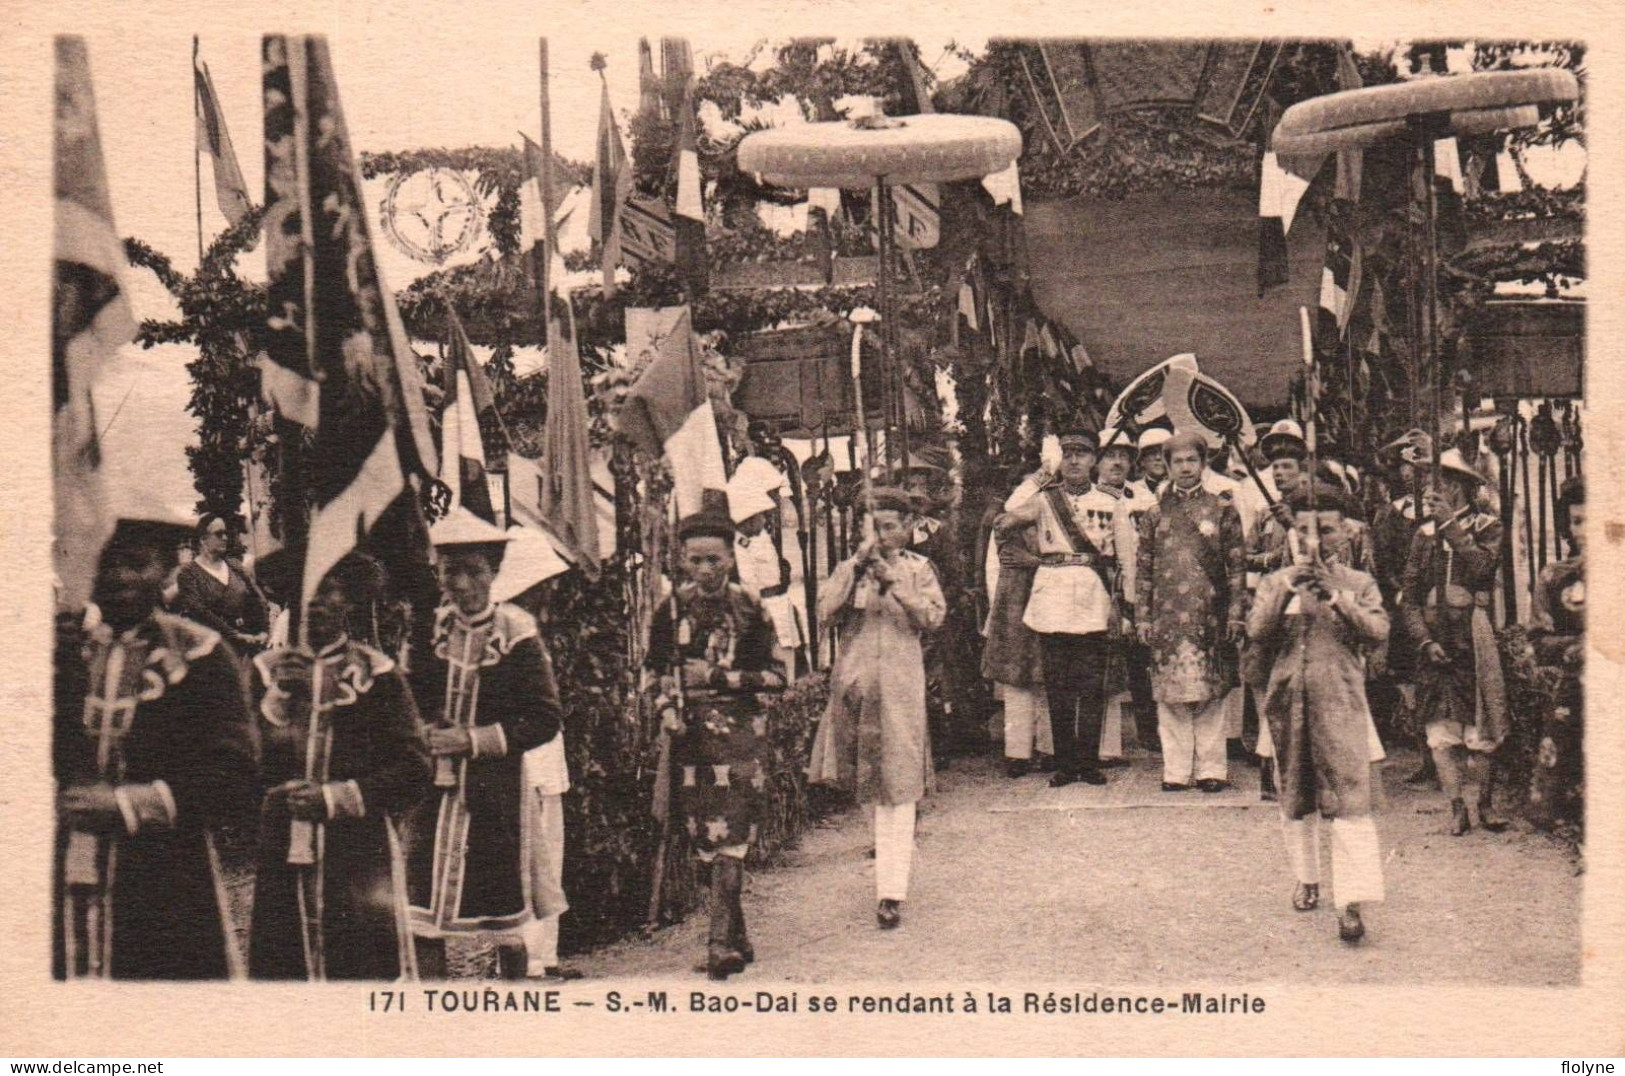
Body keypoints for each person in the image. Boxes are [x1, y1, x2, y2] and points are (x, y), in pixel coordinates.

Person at [53, 514, 260, 979]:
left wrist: (128, 805)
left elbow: (235, 774)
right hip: (61, 872)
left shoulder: (201, 654)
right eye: (107, 562)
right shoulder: (64, 651)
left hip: (164, 878)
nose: (119, 577)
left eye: (136, 563)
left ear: (167, 569)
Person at [247, 552, 431, 980]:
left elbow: (414, 767)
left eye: (328, 590)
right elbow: (237, 764)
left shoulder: (377, 674)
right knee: (284, 972)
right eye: (306, 591)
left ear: (347, 599)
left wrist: (334, 798)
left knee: (360, 969)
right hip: (282, 845)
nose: (316, 603)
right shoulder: (265, 671)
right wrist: (274, 705)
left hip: (357, 849)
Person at [405, 509, 563, 979]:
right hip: (433, 794)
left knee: (503, 918)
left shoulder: (517, 633)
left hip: (494, 794)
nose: (463, 583)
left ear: (494, 572)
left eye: (474, 570)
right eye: (451, 571)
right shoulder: (429, 631)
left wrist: (471, 741)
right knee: (421, 914)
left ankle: (508, 1018)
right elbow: (408, 699)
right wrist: (423, 731)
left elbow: (543, 719)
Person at [647, 498, 786, 976]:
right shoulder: (669, 611)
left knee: (732, 834)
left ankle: (718, 943)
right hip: (690, 739)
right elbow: (652, 673)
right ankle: (738, 933)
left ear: (731, 558)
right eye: (695, 560)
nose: (705, 569)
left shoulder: (750, 607)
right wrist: (666, 707)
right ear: (681, 561)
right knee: (706, 840)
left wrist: (719, 678)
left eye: (715, 559)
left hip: (742, 736)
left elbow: (776, 676)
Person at [1248, 484, 1390, 943]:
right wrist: (1287, 586)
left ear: (1345, 533)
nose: (1315, 541)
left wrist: (1335, 597)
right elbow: (1256, 630)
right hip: (1287, 702)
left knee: (1351, 802)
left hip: (1341, 705)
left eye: (1326, 531)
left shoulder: (1358, 583)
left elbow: (1378, 630)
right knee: (1294, 797)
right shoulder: (1276, 582)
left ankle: (1351, 902)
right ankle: (1307, 877)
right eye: (1304, 531)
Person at [809, 487, 945, 929]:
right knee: (868, 783)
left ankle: (892, 891)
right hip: (856, 685)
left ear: (908, 528)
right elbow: (825, 611)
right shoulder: (850, 569)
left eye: (891, 526)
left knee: (900, 786)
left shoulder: (919, 569)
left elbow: (931, 618)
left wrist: (894, 580)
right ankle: (882, 867)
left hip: (901, 689)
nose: (883, 535)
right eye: (875, 527)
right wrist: (854, 568)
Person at [994, 425, 1122, 788]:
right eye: (1068, 455)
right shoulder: (1045, 499)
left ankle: (1088, 762)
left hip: (1093, 596)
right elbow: (1005, 520)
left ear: (1094, 461)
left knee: (1092, 685)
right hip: (1051, 596)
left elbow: (1124, 557)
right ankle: (1065, 764)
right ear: (1060, 461)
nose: (1075, 460)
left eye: (1082, 454)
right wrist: (1029, 554)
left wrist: (1119, 603)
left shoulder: (1111, 502)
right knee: (1058, 686)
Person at [1398, 448, 1509, 837]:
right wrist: (1424, 640)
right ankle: (1456, 806)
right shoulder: (1422, 535)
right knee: (1440, 730)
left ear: (1462, 486)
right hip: (1434, 634)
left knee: (1481, 723)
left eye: (1445, 480)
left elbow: (1483, 568)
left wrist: (1451, 527)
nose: (1436, 488)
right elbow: (1409, 597)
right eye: (1433, 480)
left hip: (1471, 633)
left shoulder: (1486, 525)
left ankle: (1486, 803)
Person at [1135, 429, 1248, 793]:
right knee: (1170, 697)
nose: (1185, 467)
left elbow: (1237, 567)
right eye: (1177, 461)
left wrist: (1235, 613)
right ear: (1166, 466)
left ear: (1203, 463)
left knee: (1210, 695)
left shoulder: (1223, 509)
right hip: (1166, 616)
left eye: (1192, 460)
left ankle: (1212, 770)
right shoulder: (1153, 516)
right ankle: (1176, 770)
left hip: (1209, 614)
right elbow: (1144, 568)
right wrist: (1142, 616)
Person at [982, 462, 1054, 777]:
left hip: (1049, 600)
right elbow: (992, 570)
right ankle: (1017, 752)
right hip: (1014, 605)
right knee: (1016, 680)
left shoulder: (1054, 520)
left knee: (1048, 677)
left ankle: (1049, 748)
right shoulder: (1005, 526)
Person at [1527, 476, 1585, 829]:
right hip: (1573, 689)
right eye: (1577, 521)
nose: (1585, 531)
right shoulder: (1553, 577)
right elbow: (1537, 640)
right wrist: (1577, 647)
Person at [726, 456, 807, 681]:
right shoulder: (741, 543)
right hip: (766, 608)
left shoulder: (760, 535)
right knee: (777, 665)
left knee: (790, 660)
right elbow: (748, 585)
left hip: (779, 605)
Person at [1093, 428, 1145, 766]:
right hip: (1098, 584)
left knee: (1134, 668)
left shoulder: (1142, 498)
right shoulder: (1086, 498)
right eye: (1111, 455)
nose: (1117, 462)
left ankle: (1122, 742)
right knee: (1097, 664)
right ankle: (1096, 745)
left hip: (1135, 587)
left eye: (1124, 456)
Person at [173, 512, 270, 657]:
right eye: (219, 534)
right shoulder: (188, 574)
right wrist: (234, 635)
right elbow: (200, 613)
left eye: (226, 533)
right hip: (216, 651)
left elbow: (258, 599)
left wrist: (263, 630)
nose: (225, 538)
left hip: (250, 646)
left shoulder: (235, 566)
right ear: (203, 539)